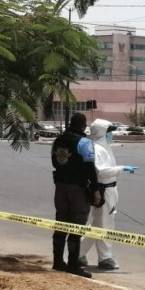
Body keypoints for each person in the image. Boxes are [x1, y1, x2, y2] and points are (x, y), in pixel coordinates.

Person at [79, 119, 138, 270]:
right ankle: (105, 258)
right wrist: (121, 168)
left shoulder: (104, 148)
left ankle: (78, 253)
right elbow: (100, 171)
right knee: (105, 225)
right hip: (103, 190)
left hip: (109, 190)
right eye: (109, 132)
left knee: (98, 225)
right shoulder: (98, 149)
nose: (111, 134)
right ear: (102, 133)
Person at [51, 112, 100, 278]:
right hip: (78, 189)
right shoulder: (84, 142)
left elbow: (54, 161)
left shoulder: (58, 140)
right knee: (76, 225)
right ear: (83, 126)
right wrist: (96, 190)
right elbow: (89, 168)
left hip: (60, 187)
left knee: (61, 223)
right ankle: (73, 264)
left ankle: (57, 261)